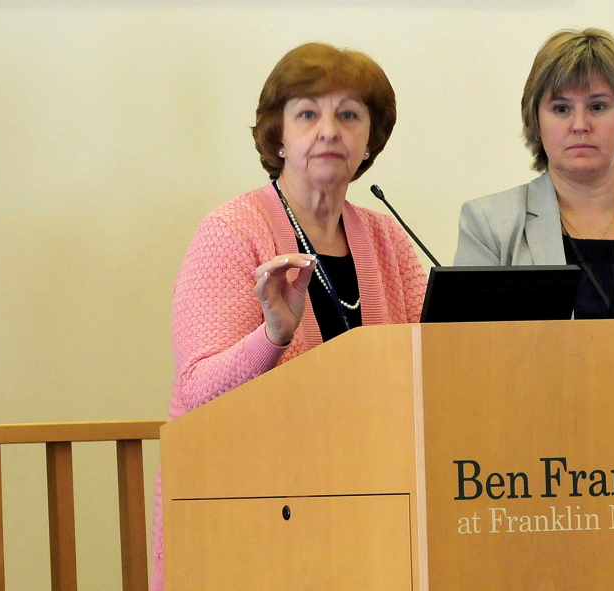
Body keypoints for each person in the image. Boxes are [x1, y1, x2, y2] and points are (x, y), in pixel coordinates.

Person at [150, 42, 427, 589]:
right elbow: (198, 392)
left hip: (365, 504)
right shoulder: (232, 231)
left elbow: (427, 362)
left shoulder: (386, 238)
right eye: (308, 113)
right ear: (278, 135)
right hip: (243, 510)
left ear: (370, 139)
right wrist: (273, 336)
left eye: (349, 114)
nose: (329, 130)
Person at [453, 28, 614, 318]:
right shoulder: (490, 224)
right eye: (561, 108)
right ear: (536, 121)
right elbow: (466, 348)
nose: (580, 124)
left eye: (597, 106)